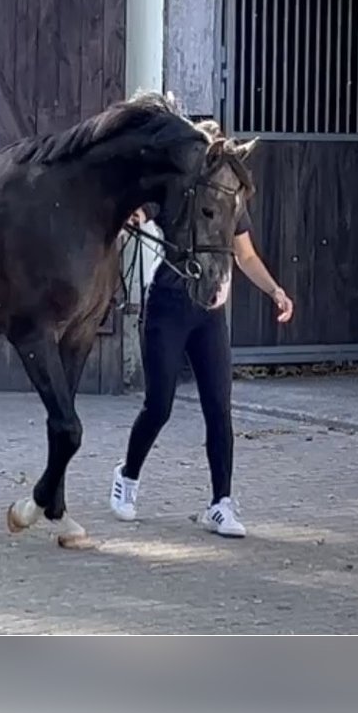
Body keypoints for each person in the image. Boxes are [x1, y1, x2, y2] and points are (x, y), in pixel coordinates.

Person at [110, 201, 293, 537]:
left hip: (210, 315)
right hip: (167, 308)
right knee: (159, 406)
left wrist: (274, 290)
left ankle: (220, 504)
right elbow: (143, 209)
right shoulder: (179, 186)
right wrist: (131, 215)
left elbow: (246, 256)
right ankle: (128, 475)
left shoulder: (232, 200)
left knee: (219, 408)